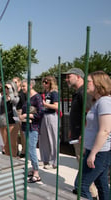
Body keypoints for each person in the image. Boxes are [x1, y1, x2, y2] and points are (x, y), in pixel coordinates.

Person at [64, 68, 98, 198]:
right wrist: (72, 130)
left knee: (84, 165)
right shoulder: (79, 92)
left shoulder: (84, 92)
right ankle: (79, 187)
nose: (67, 79)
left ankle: (92, 194)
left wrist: (83, 133)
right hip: (78, 133)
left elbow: (89, 113)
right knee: (81, 162)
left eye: (69, 76)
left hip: (83, 136)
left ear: (78, 77)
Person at [77, 71, 111, 200]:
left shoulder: (105, 102)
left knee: (82, 186)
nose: (86, 84)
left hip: (100, 151)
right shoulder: (98, 102)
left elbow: (105, 130)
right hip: (96, 150)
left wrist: (93, 153)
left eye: (89, 82)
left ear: (99, 83)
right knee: (101, 184)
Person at [19, 79, 44, 183]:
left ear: (30, 86)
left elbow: (41, 113)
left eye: (24, 86)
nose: (22, 88)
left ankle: (36, 173)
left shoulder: (37, 97)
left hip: (33, 128)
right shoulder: (27, 97)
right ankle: (34, 169)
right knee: (29, 149)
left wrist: (28, 115)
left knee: (32, 149)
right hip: (26, 126)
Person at [39, 76, 59, 169]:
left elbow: (56, 106)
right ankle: (45, 159)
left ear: (51, 83)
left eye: (46, 82)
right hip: (44, 115)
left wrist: (45, 104)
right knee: (44, 139)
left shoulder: (54, 93)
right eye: (43, 82)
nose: (44, 84)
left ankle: (54, 161)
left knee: (53, 139)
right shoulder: (45, 93)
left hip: (51, 116)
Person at [0, 80, 19, 157]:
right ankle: (8, 161)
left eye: (7, 87)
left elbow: (14, 102)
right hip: (3, 122)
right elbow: (0, 110)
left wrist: (10, 91)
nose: (5, 88)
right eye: (5, 87)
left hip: (12, 122)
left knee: (12, 144)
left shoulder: (16, 97)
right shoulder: (2, 98)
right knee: (6, 144)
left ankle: (13, 160)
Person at [13, 76, 27, 158]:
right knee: (14, 133)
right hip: (14, 112)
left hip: (21, 112)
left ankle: (23, 151)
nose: (14, 84)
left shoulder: (22, 92)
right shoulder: (12, 93)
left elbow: (25, 104)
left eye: (15, 82)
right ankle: (15, 150)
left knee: (22, 133)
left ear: (19, 83)